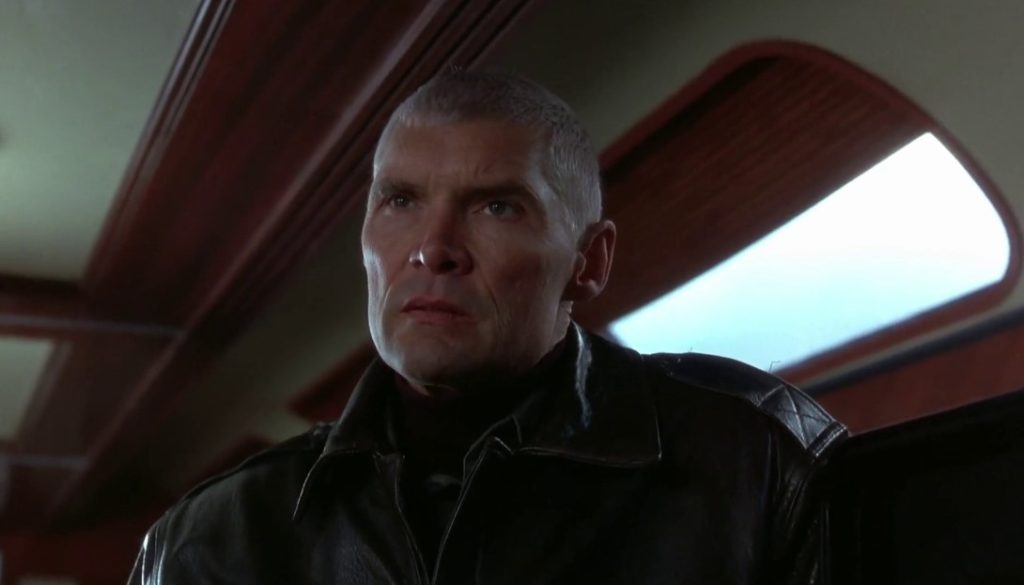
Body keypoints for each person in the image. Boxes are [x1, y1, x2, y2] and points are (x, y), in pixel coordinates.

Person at [129, 70, 846, 584]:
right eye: (401, 200)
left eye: (496, 207)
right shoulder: (210, 538)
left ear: (589, 261)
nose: (433, 247)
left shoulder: (755, 459)